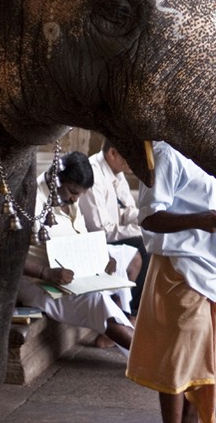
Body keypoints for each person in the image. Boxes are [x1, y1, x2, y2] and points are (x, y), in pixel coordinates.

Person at [126, 141, 216, 423]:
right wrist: (198, 219)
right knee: (176, 362)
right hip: (181, 270)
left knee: (202, 358)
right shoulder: (167, 154)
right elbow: (150, 217)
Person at [18, 152, 140, 354]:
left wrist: (102, 256)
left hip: (74, 272)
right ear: (56, 179)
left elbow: (81, 235)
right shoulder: (32, 202)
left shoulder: (69, 200)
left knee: (123, 257)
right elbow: (9, 258)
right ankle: (146, 359)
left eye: (80, 194)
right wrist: (45, 273)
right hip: (38, 282)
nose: (75, 199)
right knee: (96, 300)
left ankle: (116, 326)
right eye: (73, 192)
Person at [80, 139, 150, 313]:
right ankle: (131, 312)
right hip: (94, 240)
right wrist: (141, 229)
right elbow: (101, 231)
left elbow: (127, 210)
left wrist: (146, 220)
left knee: (152, 237)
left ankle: (140, 310)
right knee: (144, 245)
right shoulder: (94, 174)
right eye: (132, 157)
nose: (137, 162)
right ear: (113, 154)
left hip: (112, 233)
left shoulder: (117, 172)